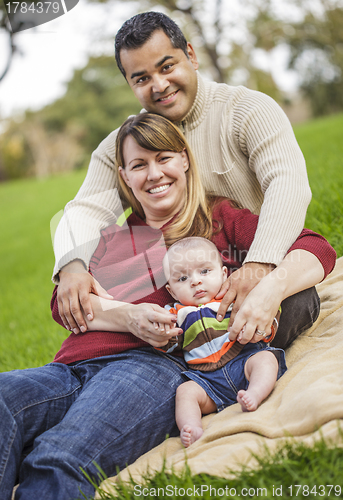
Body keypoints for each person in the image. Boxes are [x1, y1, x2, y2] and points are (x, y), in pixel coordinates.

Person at [0, 114, 335, 500]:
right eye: (139, 165)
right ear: (125, 177)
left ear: (185, 160)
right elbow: (66, 308)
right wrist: (128, 316)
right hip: (67, 369)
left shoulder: (218, 219)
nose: (154, 173)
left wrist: (267, 287)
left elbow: (316, 249)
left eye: (163, 158)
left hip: (147, 368)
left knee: (58, 455)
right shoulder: (111, 239)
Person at [53, 11, 316, 343]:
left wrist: (259, 264)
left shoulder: (248, 110)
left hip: (252, 257)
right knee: (153, 321)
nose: (160, 85)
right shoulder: (125, 144)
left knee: (296, 302)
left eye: (167, 67)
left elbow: (287, 183)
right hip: (179, 287)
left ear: (190, 55)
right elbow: (86, 209)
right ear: (130, 84)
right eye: (142, 78)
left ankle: (222, 360)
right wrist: (72, 266)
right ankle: (193, 358)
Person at [160, 237, 286, 448]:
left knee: (265, 359)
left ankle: (254, 393)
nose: (195, 281)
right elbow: (167, 344)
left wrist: (264, 325)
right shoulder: (176, 314)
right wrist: (162, 332)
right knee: (185, 392)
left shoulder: (233, 298)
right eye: (182, 278)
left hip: (243, 360)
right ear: (171, 291)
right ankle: (191, 427)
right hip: (207, 380)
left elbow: (266, 314)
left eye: (204, 271)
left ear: (224, 274)